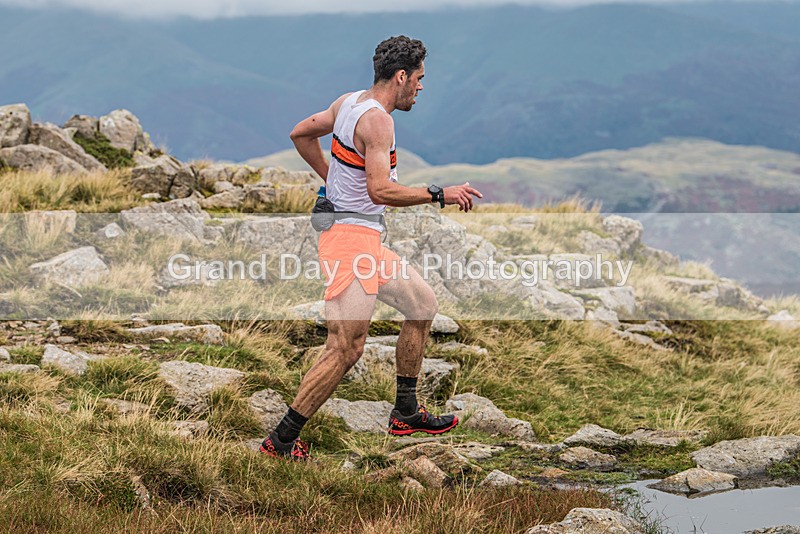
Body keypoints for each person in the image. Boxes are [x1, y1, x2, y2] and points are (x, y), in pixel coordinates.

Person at [260, 35, 483, 460]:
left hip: (363, 238)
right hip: (350, 241)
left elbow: (300, 133)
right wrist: (440, 193)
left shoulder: (349, 102)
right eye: (418, 78)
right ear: (401, 76)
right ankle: (281, 441)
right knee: (346, 346)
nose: (421, 86)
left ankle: (405, 411)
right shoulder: (379, 121)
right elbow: (381, 190)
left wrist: (332, 181)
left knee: (421, 304)